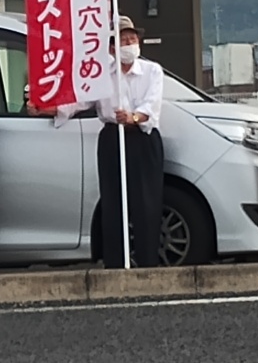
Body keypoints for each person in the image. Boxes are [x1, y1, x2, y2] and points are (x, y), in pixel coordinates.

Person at [28, 16, 164, 269]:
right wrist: (45, 109)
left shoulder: (152, 70)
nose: (129, 44)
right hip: (112, 138)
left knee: (146, 203)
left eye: (132, 39)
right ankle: (115, 265)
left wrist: (133, 117)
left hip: (141, 139)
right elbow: (78, 101)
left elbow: (151, 106)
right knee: (113, 203)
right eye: (123, 40)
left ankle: (148, 265)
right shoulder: (101, 74)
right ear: (112, 47)